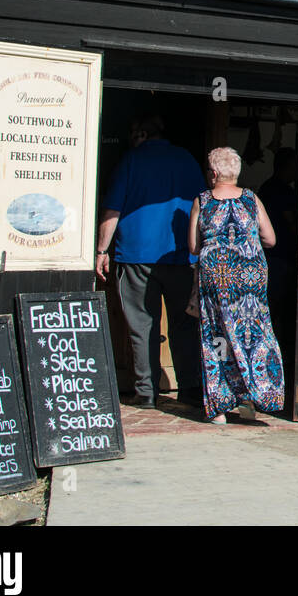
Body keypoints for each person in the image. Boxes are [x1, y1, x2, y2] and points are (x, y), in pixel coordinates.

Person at [95, 113, 206, 409]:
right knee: (184, 323)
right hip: (182, 254)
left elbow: (112, 210)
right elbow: (204, 205)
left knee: (142, 324)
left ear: (140, 133)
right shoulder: (187, 160)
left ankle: (146, 392)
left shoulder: (131, 161)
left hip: (136, 254)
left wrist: (101, 250)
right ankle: (190, 387)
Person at [189, 146, 285, 424]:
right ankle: (253, 398)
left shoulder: (203, 200)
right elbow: (271, 239)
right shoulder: (251, 199)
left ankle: (219, 407)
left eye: (209, 170)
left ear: (215, 173)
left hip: (217, 279)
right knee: (252, 335)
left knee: (217, 337)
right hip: (250, 280)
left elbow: (194, 246)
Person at [258, 147, 298, 387]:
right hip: (279, 257)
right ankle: (277, 359)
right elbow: (292, 223)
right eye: (294, 165)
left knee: (274, 309)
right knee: (277, 310)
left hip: (273, 257)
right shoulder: (280, 190)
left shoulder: (266, 187)